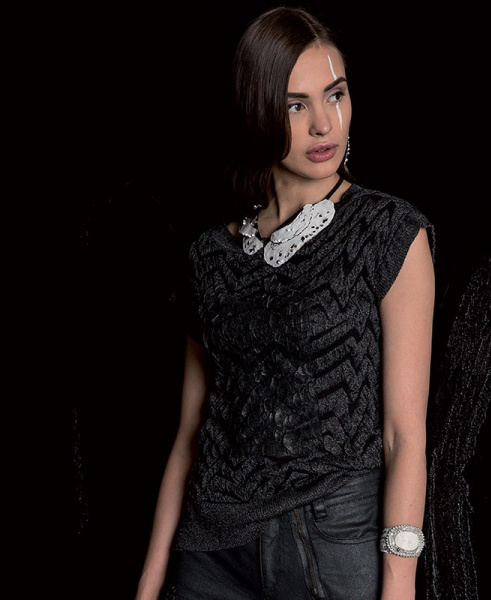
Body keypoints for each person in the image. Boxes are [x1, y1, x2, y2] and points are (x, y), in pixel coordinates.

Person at [135, 7, 435, 600]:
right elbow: (190, 434)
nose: (324, 124)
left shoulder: (386, 231)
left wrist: (399, 585)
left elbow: (404, 435)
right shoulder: (210, 257)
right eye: (296, 105)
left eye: (336, 95)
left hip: (331, 544)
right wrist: (149, 583)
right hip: (211, 553)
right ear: (256, 111)